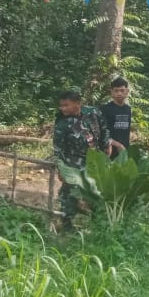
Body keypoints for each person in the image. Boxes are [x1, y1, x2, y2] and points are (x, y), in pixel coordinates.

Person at [52, 89, 112, 231]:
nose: (63, 108)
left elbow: (104, 128)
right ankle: (67, 224)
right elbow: (58, 148)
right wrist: (61, 168)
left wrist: (106, 144)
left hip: (94, 160)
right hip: (72, 162)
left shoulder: (93, 113)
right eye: (61, 105)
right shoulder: (62, 122)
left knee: (96, 191)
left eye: (66, 105)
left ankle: (99, 223)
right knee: (69, 192)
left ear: (77, 104)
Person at [100, 77, 133, 156]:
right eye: (116, 91)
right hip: (108, 151)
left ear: (127, 91)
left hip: (124, 150)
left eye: (122, 90)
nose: (119, 93)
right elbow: (101, 133)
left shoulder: (128, 109)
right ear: (111, 92)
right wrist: (117, 145)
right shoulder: (105, 109)